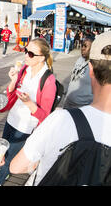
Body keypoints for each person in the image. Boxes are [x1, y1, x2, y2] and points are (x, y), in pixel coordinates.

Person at [10, 31, 111, 185]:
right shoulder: (25, 71)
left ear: (90, 69)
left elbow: (16, 167)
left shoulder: (61, 120)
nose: (26, 55)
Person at [0, 38, 57, 186]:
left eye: (30, 53)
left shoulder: (48, 81)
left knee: (10, 157)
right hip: (12, 118)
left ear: (41, 57)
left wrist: (29, 103)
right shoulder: (24, 70)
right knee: (3, 150)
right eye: (25, 51)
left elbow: (45, 115)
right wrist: (12, 80)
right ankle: (2, 170)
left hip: (26, 126)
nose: (25, 55)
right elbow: (11, 94)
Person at [61, 36, 94, 109]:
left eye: (85, 46)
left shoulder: (95, 66)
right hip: (68, 103)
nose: (82, 48)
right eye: (82, 45)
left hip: (82, 107)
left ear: (93, 49)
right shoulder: (80, 59)